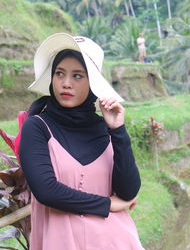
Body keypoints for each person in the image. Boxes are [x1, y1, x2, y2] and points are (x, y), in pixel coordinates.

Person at [19, 33, 144, 250]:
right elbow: (46, 190)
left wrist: (118, 131)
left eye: (77, 76)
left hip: (116, 242)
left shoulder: (106, 130)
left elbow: (128, 191)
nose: (66, 83)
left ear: (92, 82)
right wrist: (107, 204)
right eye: (59, 74)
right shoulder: (37, 127)